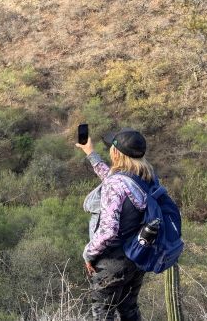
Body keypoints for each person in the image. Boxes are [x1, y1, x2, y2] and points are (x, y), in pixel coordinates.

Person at [76, 128, 154, 321]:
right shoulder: (145, 177)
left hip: (113, 261)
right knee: (129, 310)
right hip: (136, 257)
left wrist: (89, 253)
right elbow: (112, 179)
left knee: (103, 314)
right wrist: (91, 154)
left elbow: (109, 230)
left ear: (117, 153)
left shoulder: (116, 185)